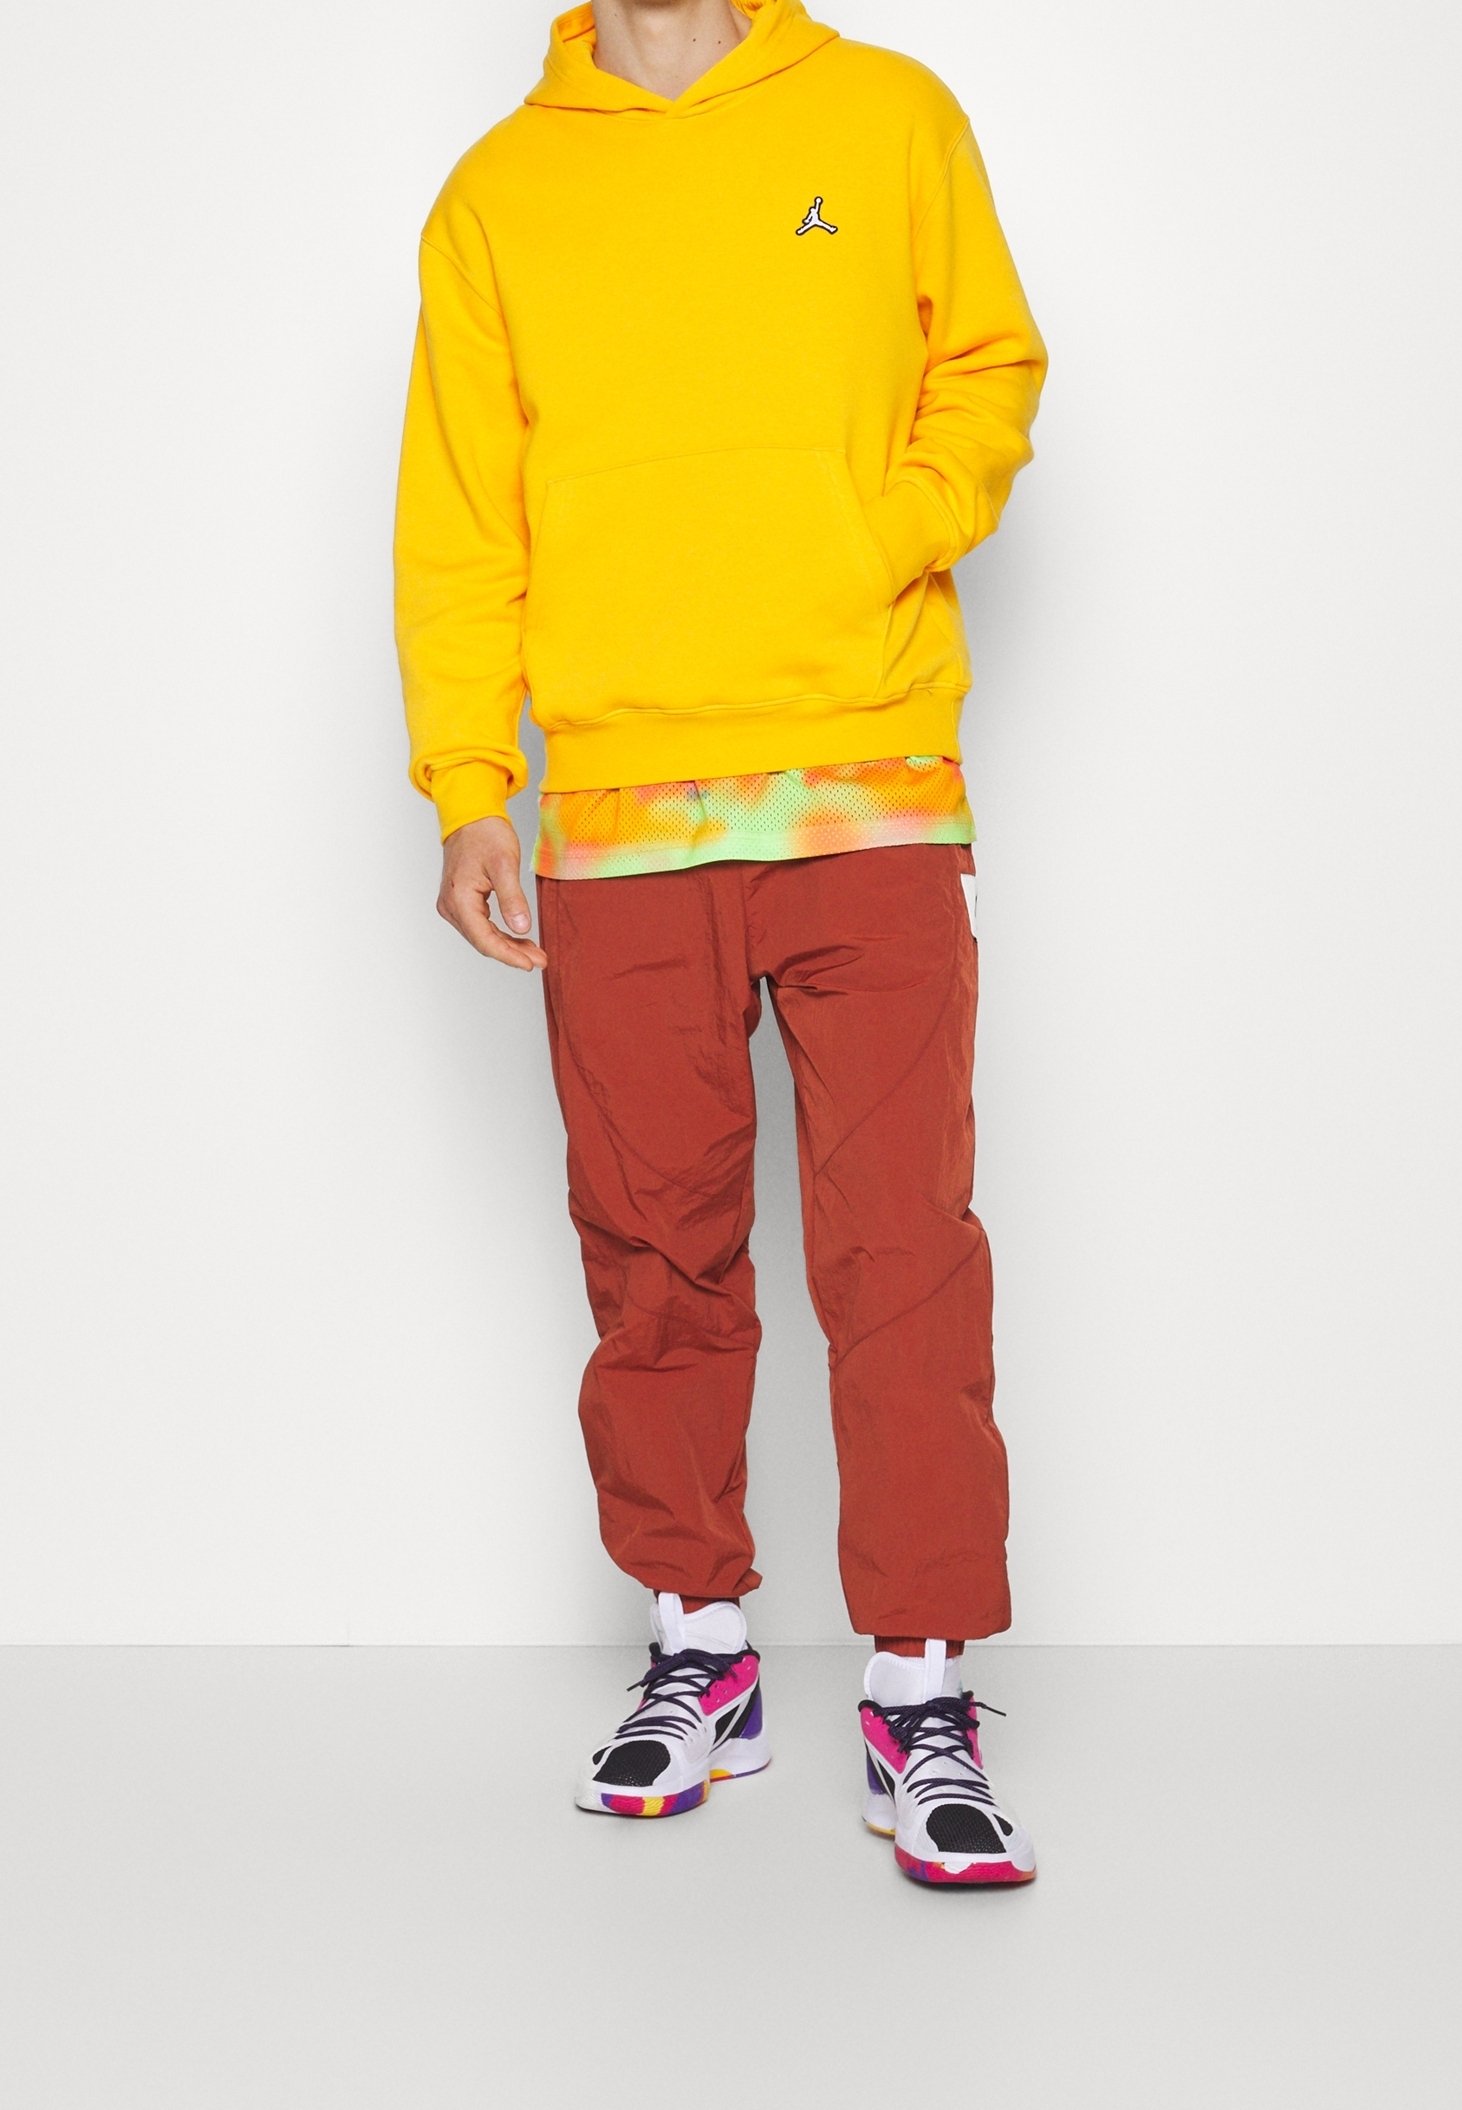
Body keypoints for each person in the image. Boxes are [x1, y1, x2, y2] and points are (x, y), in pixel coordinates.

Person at [393, 0, 1047, 1887]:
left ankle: (920, 1683)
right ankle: (702, 1646)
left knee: (900, 1248)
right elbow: (461, 512)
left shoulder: (885, 114)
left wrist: (879, 527)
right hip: (619, 810)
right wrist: (465, 782)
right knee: (652, 1246)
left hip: (868, 784)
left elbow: (988, 364)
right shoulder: (502, 191)